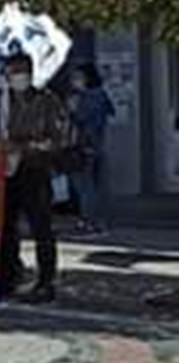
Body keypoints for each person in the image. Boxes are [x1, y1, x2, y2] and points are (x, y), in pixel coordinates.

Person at [0, 53, 69, 302]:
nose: (18, 76)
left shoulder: (46, 100)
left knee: (42, 228)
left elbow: (59, 139)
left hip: (35, 170)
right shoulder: (2, 101)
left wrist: (25, 148)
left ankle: (46, 281)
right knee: (6, 228)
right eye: (13, 71)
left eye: (22, 71)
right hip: (6, 172)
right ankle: (7, 277)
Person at [66, 62, 115, 236]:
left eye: (77, 77)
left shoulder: (87, 98)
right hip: (96, 146)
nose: (74, 81)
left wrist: (73, 109)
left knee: (85, 187)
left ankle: (89, 222)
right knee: (93, 186)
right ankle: (97, 222)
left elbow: (80, 119)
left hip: (84, 146)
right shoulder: (100, 95)